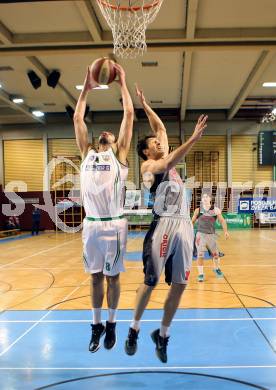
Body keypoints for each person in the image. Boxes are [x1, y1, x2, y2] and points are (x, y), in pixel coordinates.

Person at [124, 84, 208, 363]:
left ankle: (162, 334)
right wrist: (194, 138)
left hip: (184, 224)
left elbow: (159, 127)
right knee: (151, 282)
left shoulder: (162, 153)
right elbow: (172, 158)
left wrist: (145, 104)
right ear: (147, 153)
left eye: (160, 143)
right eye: (154, 144)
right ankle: (134, 329)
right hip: (164, 225)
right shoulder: (149, 167)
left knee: (181, 284)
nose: (160, 143)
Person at [73, 63, 134, 353]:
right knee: (95, 277)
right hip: (92, 223)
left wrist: (122, 82)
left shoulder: (119, 155)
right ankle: (96, 325)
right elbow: (77, 118)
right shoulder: (86, 153)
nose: (106, 133)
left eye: (111, 134)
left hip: (115, 224)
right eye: (103, 134)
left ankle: (112, 323)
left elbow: (130, 115)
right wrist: (86, 87)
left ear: (114, 141)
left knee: (113, 277)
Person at [191, 192, 229, 282]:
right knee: (200, 255)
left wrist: (226, 231)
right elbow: (191, 222)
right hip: (200, 235)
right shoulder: (198, 210)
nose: (204, 198)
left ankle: (216, 268)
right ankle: (201, 274)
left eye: (206, 197)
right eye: (203, 197)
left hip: (211, 235)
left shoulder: (215, 210)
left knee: (215, 255)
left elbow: (222, 221)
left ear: (210, 199)